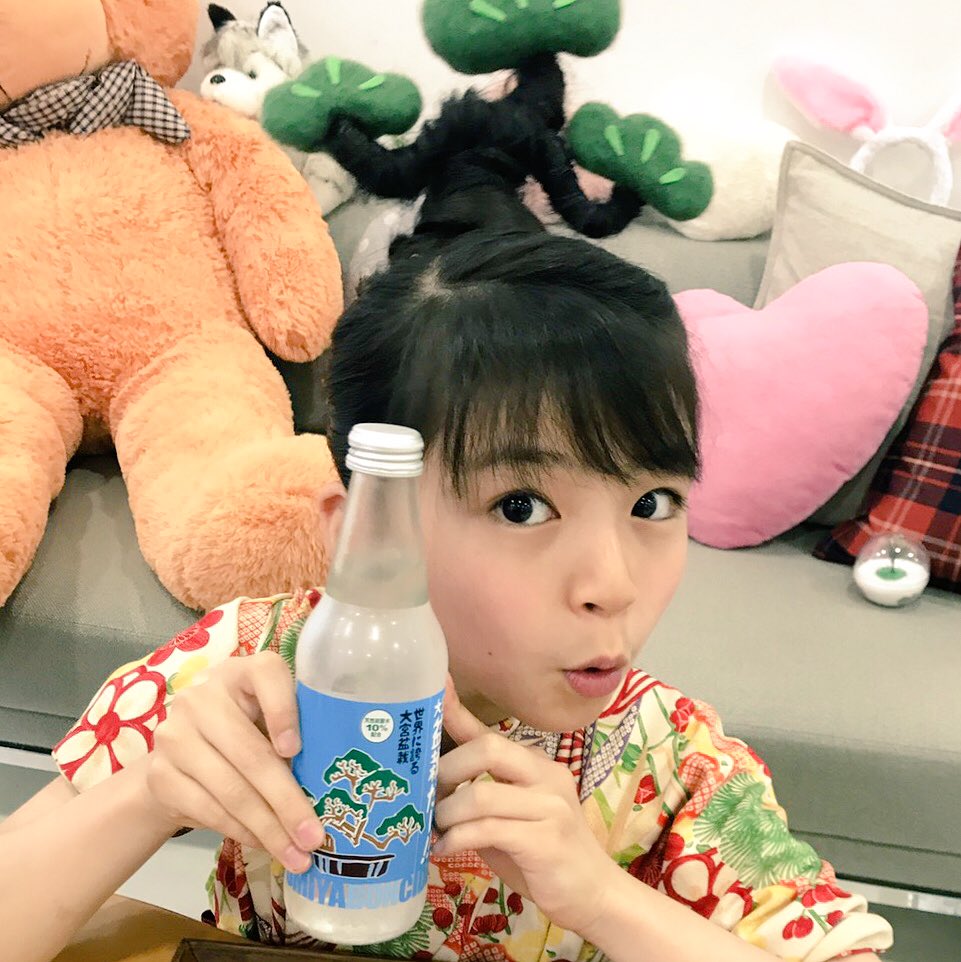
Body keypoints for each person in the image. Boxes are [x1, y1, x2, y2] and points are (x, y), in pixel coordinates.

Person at [0, 155, 893, 962]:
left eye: (651, 505)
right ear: (362, 530)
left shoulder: (671, 762)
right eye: (521, 506)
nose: (612, 585)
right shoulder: (247, 672)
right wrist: (150, 795)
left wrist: (602, 899)